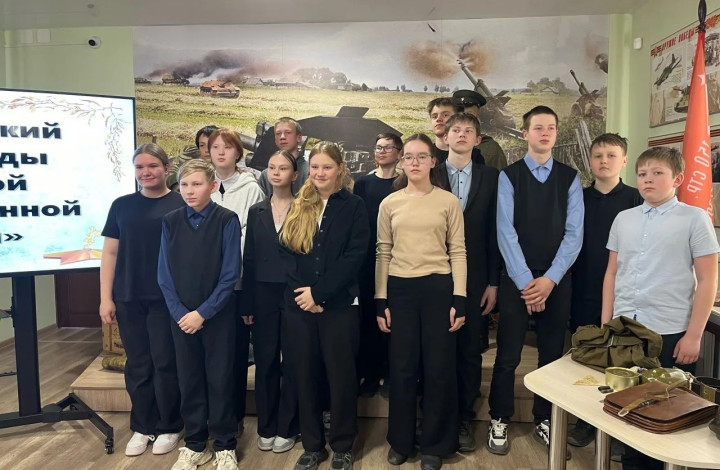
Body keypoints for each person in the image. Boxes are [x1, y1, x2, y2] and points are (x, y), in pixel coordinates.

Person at [601, 146, 719, 470]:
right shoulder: (624, 219)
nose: (647, 180)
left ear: (677, 179)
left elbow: (708, 279)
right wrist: (606, 325)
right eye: (642, 174)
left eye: (657, 173)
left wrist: (694, 335)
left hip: (669, 330)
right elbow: (612, 273)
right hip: (625, 329)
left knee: (665, 412)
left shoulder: (694, 218)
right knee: (627, 409)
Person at [487, 106, 583, 460]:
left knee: (551, 355)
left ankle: (545, 418)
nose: (545, 133)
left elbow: (574, 235)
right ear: (525, 133)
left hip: (557, 280)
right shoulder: (509, 176)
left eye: (551, 128)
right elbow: (505, 231)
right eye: (538, 127)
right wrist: (528, 283)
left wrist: (550, 280)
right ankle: (499, 417)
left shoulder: (569, 178)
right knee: (507, 354)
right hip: (517, 279)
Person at [376, 133, 467, 470]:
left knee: (438, 368)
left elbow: (458, 251)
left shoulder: (448, 202)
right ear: (401, 162)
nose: (414, 162)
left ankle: (435, 444)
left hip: (438, 289)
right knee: (401, 369)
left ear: (433, 161)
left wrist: (460, 297)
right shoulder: (389, 203)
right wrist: (380, 299)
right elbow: (383, 253)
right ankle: (400, 441)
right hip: (399, 289)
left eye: (421, 156)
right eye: (408, 157)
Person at [279, 141, 369, 470]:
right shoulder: (299, 204)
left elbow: (354, 257)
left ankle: (343, 445)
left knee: (341, 377)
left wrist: (320, 295)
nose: (320, 173)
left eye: (327, 167)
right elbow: (286, 254)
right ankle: (312, 445)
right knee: (304, 376)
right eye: (315, 166)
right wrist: (305, 297)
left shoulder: (354, 206)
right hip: (300, 308)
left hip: (340, 307)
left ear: (340, 169)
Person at [99, 143, 185, 458]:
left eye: (152, 166)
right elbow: (110, 253)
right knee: (137, 364)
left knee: (165, 363)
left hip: (166, 299)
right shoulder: (121, 205)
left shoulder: (181, 203)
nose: (145, 172)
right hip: (128, 297)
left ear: (166, 169)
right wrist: (105, 298)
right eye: (139, 167)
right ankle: (143, 425)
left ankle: (170, 425)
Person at [158, 159, 242, 470]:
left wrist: (203, 313)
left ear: (212, 186)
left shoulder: (226, 219)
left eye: (197, 184)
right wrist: (181, 312)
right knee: (189, 378)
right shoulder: (171, 221)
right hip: (181, 317)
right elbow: (164, 274)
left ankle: (224, 443)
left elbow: (230, 273)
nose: (190, 191)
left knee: (220, 378)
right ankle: (195, 443)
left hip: (217, 315)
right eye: (184, 185)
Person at [566, 133, 642, 454]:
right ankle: (585, 421)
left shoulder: (637, 199)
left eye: (611, 155)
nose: (604, 161)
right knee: (587, 360)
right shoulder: (577, 198)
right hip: (582, 291)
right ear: (590, 160)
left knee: (624, 361)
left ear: (624, 160)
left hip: (626, 294)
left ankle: (621, 426)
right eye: (598, 155)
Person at [437, 113, 500, 453]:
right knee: (435, 348)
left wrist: (493, 282)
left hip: (476, 277)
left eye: (469, 131)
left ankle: (463, 416)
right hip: (432, 275)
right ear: (445, 137)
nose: (461, 135)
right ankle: (435, 415)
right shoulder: (431, 173)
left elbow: (496, 232)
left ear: (478, 140)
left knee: (469, 350)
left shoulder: (493, 177)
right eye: (456, 130)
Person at [208, 128, 265, 435]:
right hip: (206, 284)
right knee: (211, 354)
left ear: (238, 153)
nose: (221, 152)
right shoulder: (204, 186)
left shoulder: (250, 188)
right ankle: (211, 415)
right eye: (215, 147)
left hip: (237, 283)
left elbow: (250, 239)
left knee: (236, 354)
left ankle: (234, 417)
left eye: (227, 147)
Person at [242, 150, 300, 453]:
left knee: (293, 362)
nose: (276, 172)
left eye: (283, 168)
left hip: (294, 294)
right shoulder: (257, 210)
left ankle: (288, 426)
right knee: (265, 361)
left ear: (295, 174)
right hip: (263, 295)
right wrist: (247, 303)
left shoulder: (305, 209)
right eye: (272, 167)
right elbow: (249, 258)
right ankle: (266, 425)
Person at [354, 132, 402, 398]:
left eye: (387, 147)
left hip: (397, 258)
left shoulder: (403, 183)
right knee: (370, 317)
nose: (382, 152)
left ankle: (391, 373)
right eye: (378, 147)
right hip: (367, 260)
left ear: (399, 152)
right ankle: (370, 374)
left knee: (394, 317)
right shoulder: (363, 183)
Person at [452, 89, 509, 170]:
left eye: (469, 115)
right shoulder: (443, 146)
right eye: (459, 115)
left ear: (478, 117)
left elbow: (500, 176)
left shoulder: (490, 148)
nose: (463, 120)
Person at [258, 117, 309, 195]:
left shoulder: (309, 172)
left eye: (288, 132)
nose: (282, 137)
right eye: (278, 134)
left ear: (299, 138)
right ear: (275, 140)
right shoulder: (266, 175)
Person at [426, 98, 484, 166]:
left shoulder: (474, 156)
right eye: (434, 116)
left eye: (445, 115)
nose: (438, 119)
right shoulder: (425, 154)